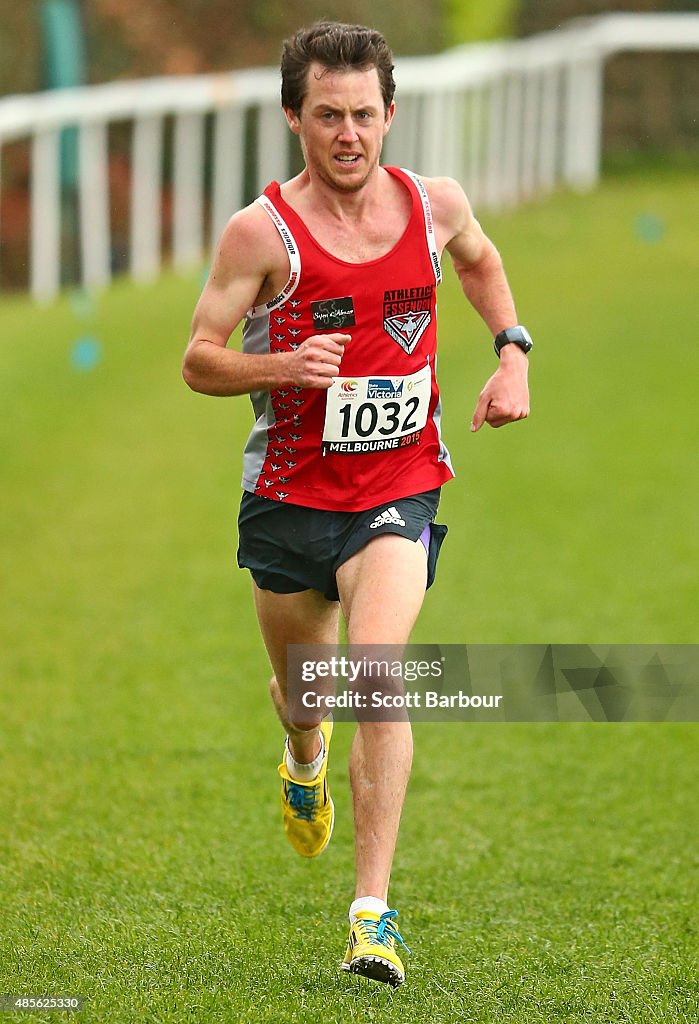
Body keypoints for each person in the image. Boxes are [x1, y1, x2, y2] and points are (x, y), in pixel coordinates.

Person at [183, 21, 531, 988]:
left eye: (365, 115)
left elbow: (479, 261)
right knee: (308, 693)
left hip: (399, 485)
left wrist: (512, 352)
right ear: (294, 116)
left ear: (390, 114)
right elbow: (198, 359)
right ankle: (303, 754)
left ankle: (370, 919)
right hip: (289, 496)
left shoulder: (433, 205)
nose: (348, 134)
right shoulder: (261, 233)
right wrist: (280, 364)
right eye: (327, 115)